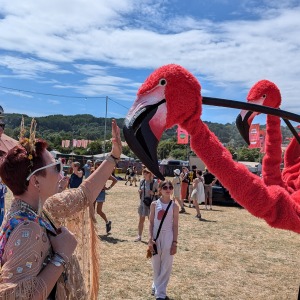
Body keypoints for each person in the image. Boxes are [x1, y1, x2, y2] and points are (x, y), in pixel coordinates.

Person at [0, 119, 122, 299]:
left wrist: (114, 156)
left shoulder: (43, 210)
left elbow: (84, 194)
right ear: (35, 181)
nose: (61, 173)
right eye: (56, 167)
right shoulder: (27, 228)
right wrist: (61, 256)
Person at [148, 180, 179, 300]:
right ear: (160, 189)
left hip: (168, 236)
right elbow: (151, 222)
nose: (168, 189)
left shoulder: (174, 206)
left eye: (170, 187)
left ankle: (160, 294)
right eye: (165, 187)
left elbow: (175, 225)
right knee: (156, 264)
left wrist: (174, 243)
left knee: (166, 265)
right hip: (155, 236)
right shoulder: (154, 204)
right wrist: (150, 238)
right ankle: (155, 285)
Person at [93, 159, 117, 234]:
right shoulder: (93, 172)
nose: (99, 165)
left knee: (99, 211)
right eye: (98, 164)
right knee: (92, 211)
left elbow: (115, 180)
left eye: (100, 164)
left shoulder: (105, 173)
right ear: (95, 165)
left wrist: (108, 187)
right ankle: (93, 228)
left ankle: (107, 222)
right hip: (93, 192)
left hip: (101, 193)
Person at [135, 168, 158, 242]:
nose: (145, 173)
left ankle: (152, 237)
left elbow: (160, 192)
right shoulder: (142, 181)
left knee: (151, 221)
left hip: (151, 204)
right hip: (143, 203)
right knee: (141, 220)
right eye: (144, 172)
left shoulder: (154, 182)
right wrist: (139, 191)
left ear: (150, 173)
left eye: (147, 172)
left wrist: (153, 193)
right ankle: (139, 236)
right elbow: (140, 190)